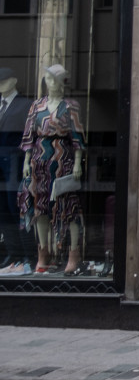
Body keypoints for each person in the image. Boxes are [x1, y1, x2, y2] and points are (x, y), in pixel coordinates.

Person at [18, 64, 86, 275]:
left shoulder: (70, 106)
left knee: (68, 208)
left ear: (61, 82)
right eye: (48, 79)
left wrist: (77, 162)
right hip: (39, 160)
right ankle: (43, 255)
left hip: (62, 159)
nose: (51, 83)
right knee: (40, 208)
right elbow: (29, 135)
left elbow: (77, 137)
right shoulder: (37, 105)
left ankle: (73, 254)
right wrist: (26, 162)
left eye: (54, 79)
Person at [0, 68, 34, 273]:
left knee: (18, 209)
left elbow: (29, 136)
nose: (1, 85)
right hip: (1, 166)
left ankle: (28, 255)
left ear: (14, 81)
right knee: (2, 211)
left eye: (4, 81)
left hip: (15, 163)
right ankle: (13, 254)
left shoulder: (26, 105)